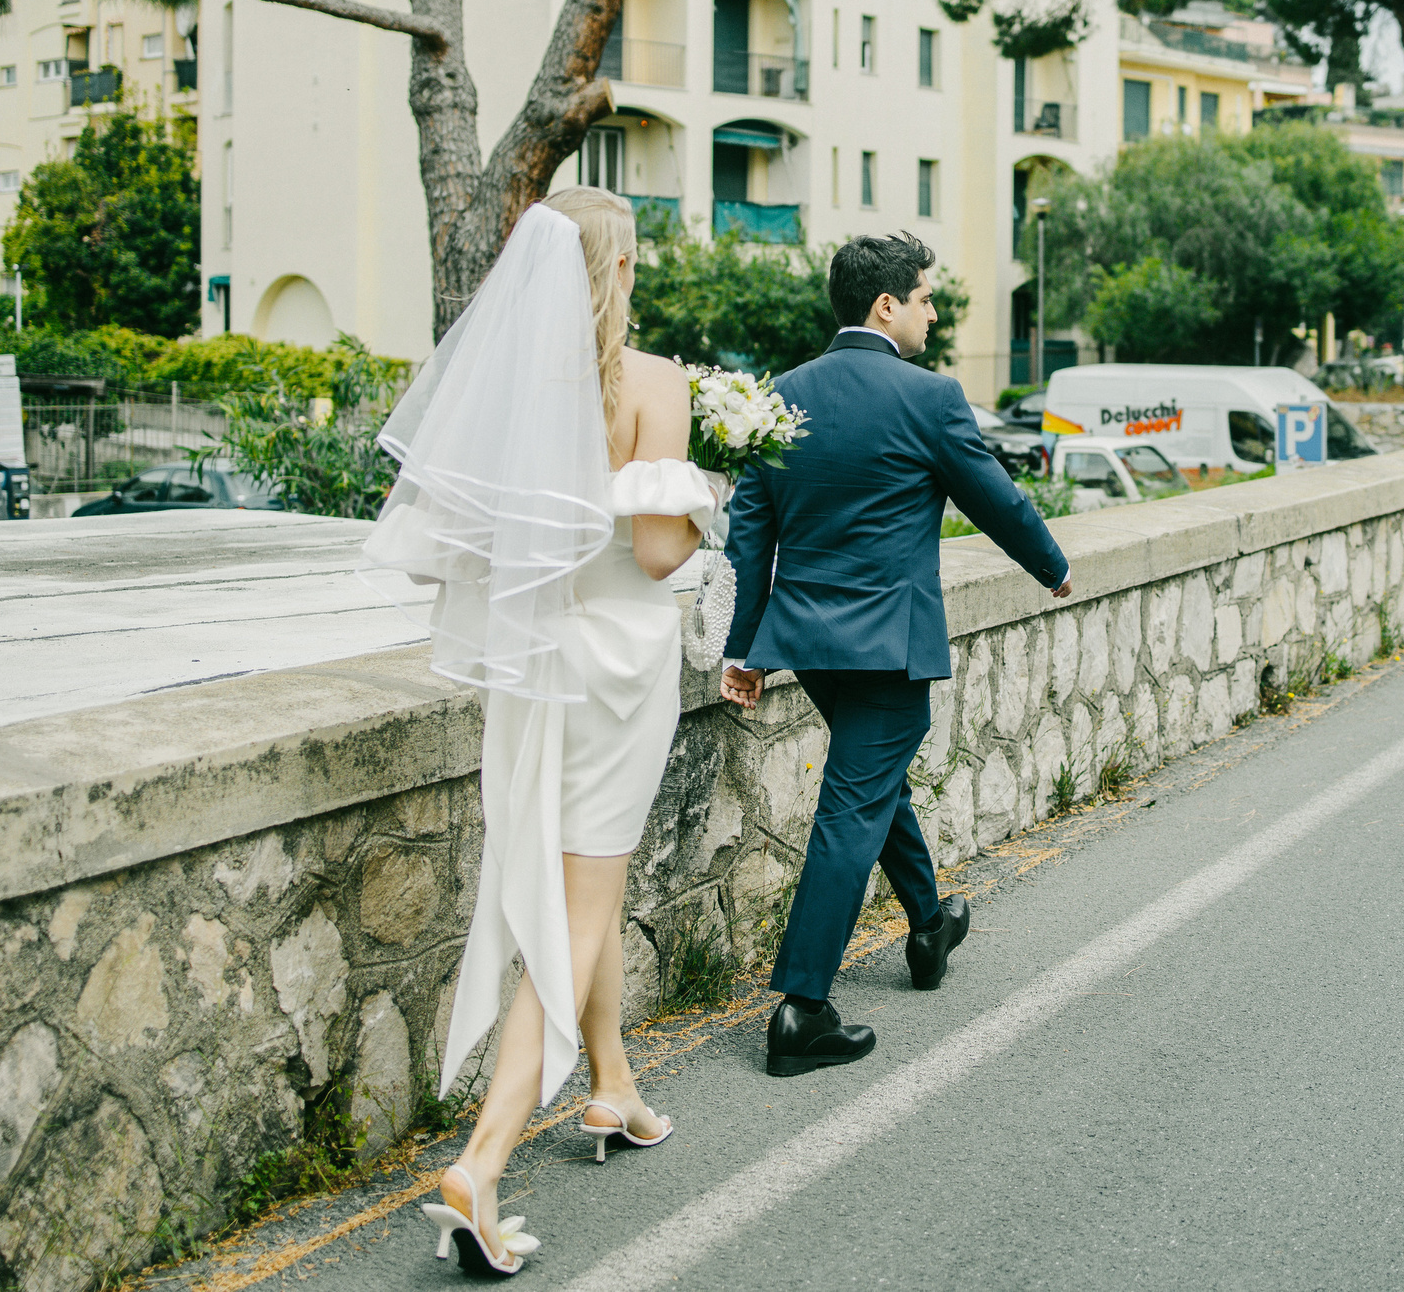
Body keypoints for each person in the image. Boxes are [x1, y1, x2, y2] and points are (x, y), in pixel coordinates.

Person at [360, 191, 725, 1275]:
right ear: (613, 268)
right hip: (617, 663)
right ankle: (483, 1156)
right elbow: (661, 556)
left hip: (533, 666)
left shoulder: (510, 389)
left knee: (576, 884)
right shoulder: (656, 384)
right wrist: (704, 493)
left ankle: (613, 1088)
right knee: (579, 908)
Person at [719, 233, 1072, 1078]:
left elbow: (749, 536)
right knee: (852, 806)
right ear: (886, 305)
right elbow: (998, 497)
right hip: (887, 646)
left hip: (809, 642)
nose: (933, 311)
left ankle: (928, 922)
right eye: (923, 296)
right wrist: (1052, 566)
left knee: (871, 784)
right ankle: (802, 1008)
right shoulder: (930, 397)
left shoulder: (780, 397)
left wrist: (747, 649)